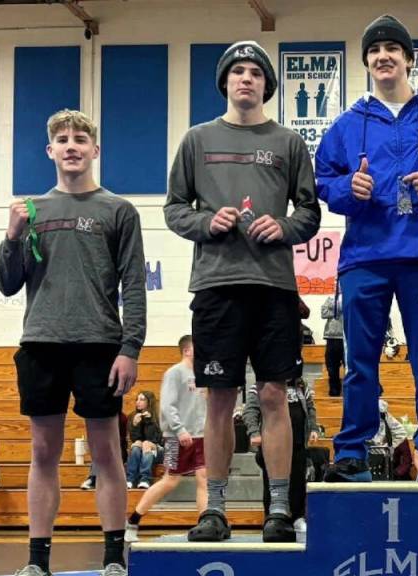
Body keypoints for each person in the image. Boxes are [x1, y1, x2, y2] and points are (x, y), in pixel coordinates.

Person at [164, 41, 321, 543]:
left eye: (255, 72)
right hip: (216, 287)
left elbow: (310, 212)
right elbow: (173, 209)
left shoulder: (290, 143)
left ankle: (279, 509)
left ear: (266, 85)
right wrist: (209, 221)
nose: (246, 79)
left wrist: (286, 227)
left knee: (275, 396)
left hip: (274, 288)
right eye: (238, 72)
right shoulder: (197, 139)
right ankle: (216, 510)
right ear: (225, 82)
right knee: (219, 402)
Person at [314, 15, 418, 483]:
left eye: (392, 48)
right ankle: (351, 454)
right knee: (359, 361)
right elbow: (324, 182)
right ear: (367, 62)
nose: (384, 55)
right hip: (364, 258)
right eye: (375, 49)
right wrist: (351, 187)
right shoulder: (347, 126)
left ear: (408, 58)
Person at [0, 109, 146, 576]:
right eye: (62, 139)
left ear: (95, 150)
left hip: (99, 345)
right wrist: (12, 235)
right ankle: (38, 563)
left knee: (106, 453)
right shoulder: (31, 210)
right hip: (41, 341)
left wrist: (131, 347)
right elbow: (8, 282)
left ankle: (113, 561)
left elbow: (135, 285)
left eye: (81, 138)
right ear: (50, 151)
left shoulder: (118, 211)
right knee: (43, 452)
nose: (72, 145)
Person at [125, 335, 207, 543]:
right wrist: (179, 430)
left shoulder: (202, 373)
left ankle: (205, 523)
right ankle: (134, 519)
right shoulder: (174, 373)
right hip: (176, 438)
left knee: (204, 478)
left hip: (201, 435)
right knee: (170, 480)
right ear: (187, 350)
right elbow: (167, 406)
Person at [245, 377, 318, 528]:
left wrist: (313, 429)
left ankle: (298, 517)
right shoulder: (261, 385)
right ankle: (271, 516)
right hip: (273, 446)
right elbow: (250, 410)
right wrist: (254, 432)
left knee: (298, 481)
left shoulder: (302, 386)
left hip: (298, 444)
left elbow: (310, 409)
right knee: (271, 481)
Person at [125, 391, 163, 489]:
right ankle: (130, 479)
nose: (138, 402)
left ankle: (145, 479)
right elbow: (135, 439)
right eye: (137, 399)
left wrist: (149, 421)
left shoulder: (158, 417)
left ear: (149, 402)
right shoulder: (132, 416)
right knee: (136, 447)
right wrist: (135, 425)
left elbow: (158, 439)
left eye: (142, 400)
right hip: (142, 449)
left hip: (158, 449)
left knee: (146, 444)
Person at [320, 291, 344, 397]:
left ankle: (350, 391)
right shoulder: (330, 299)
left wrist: (334, 310)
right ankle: (334, 390)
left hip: (346, 337)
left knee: (349, 366)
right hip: (331, 338)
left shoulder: (350, 295)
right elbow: (323, 313)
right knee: (331, 366)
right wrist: (337, 309)